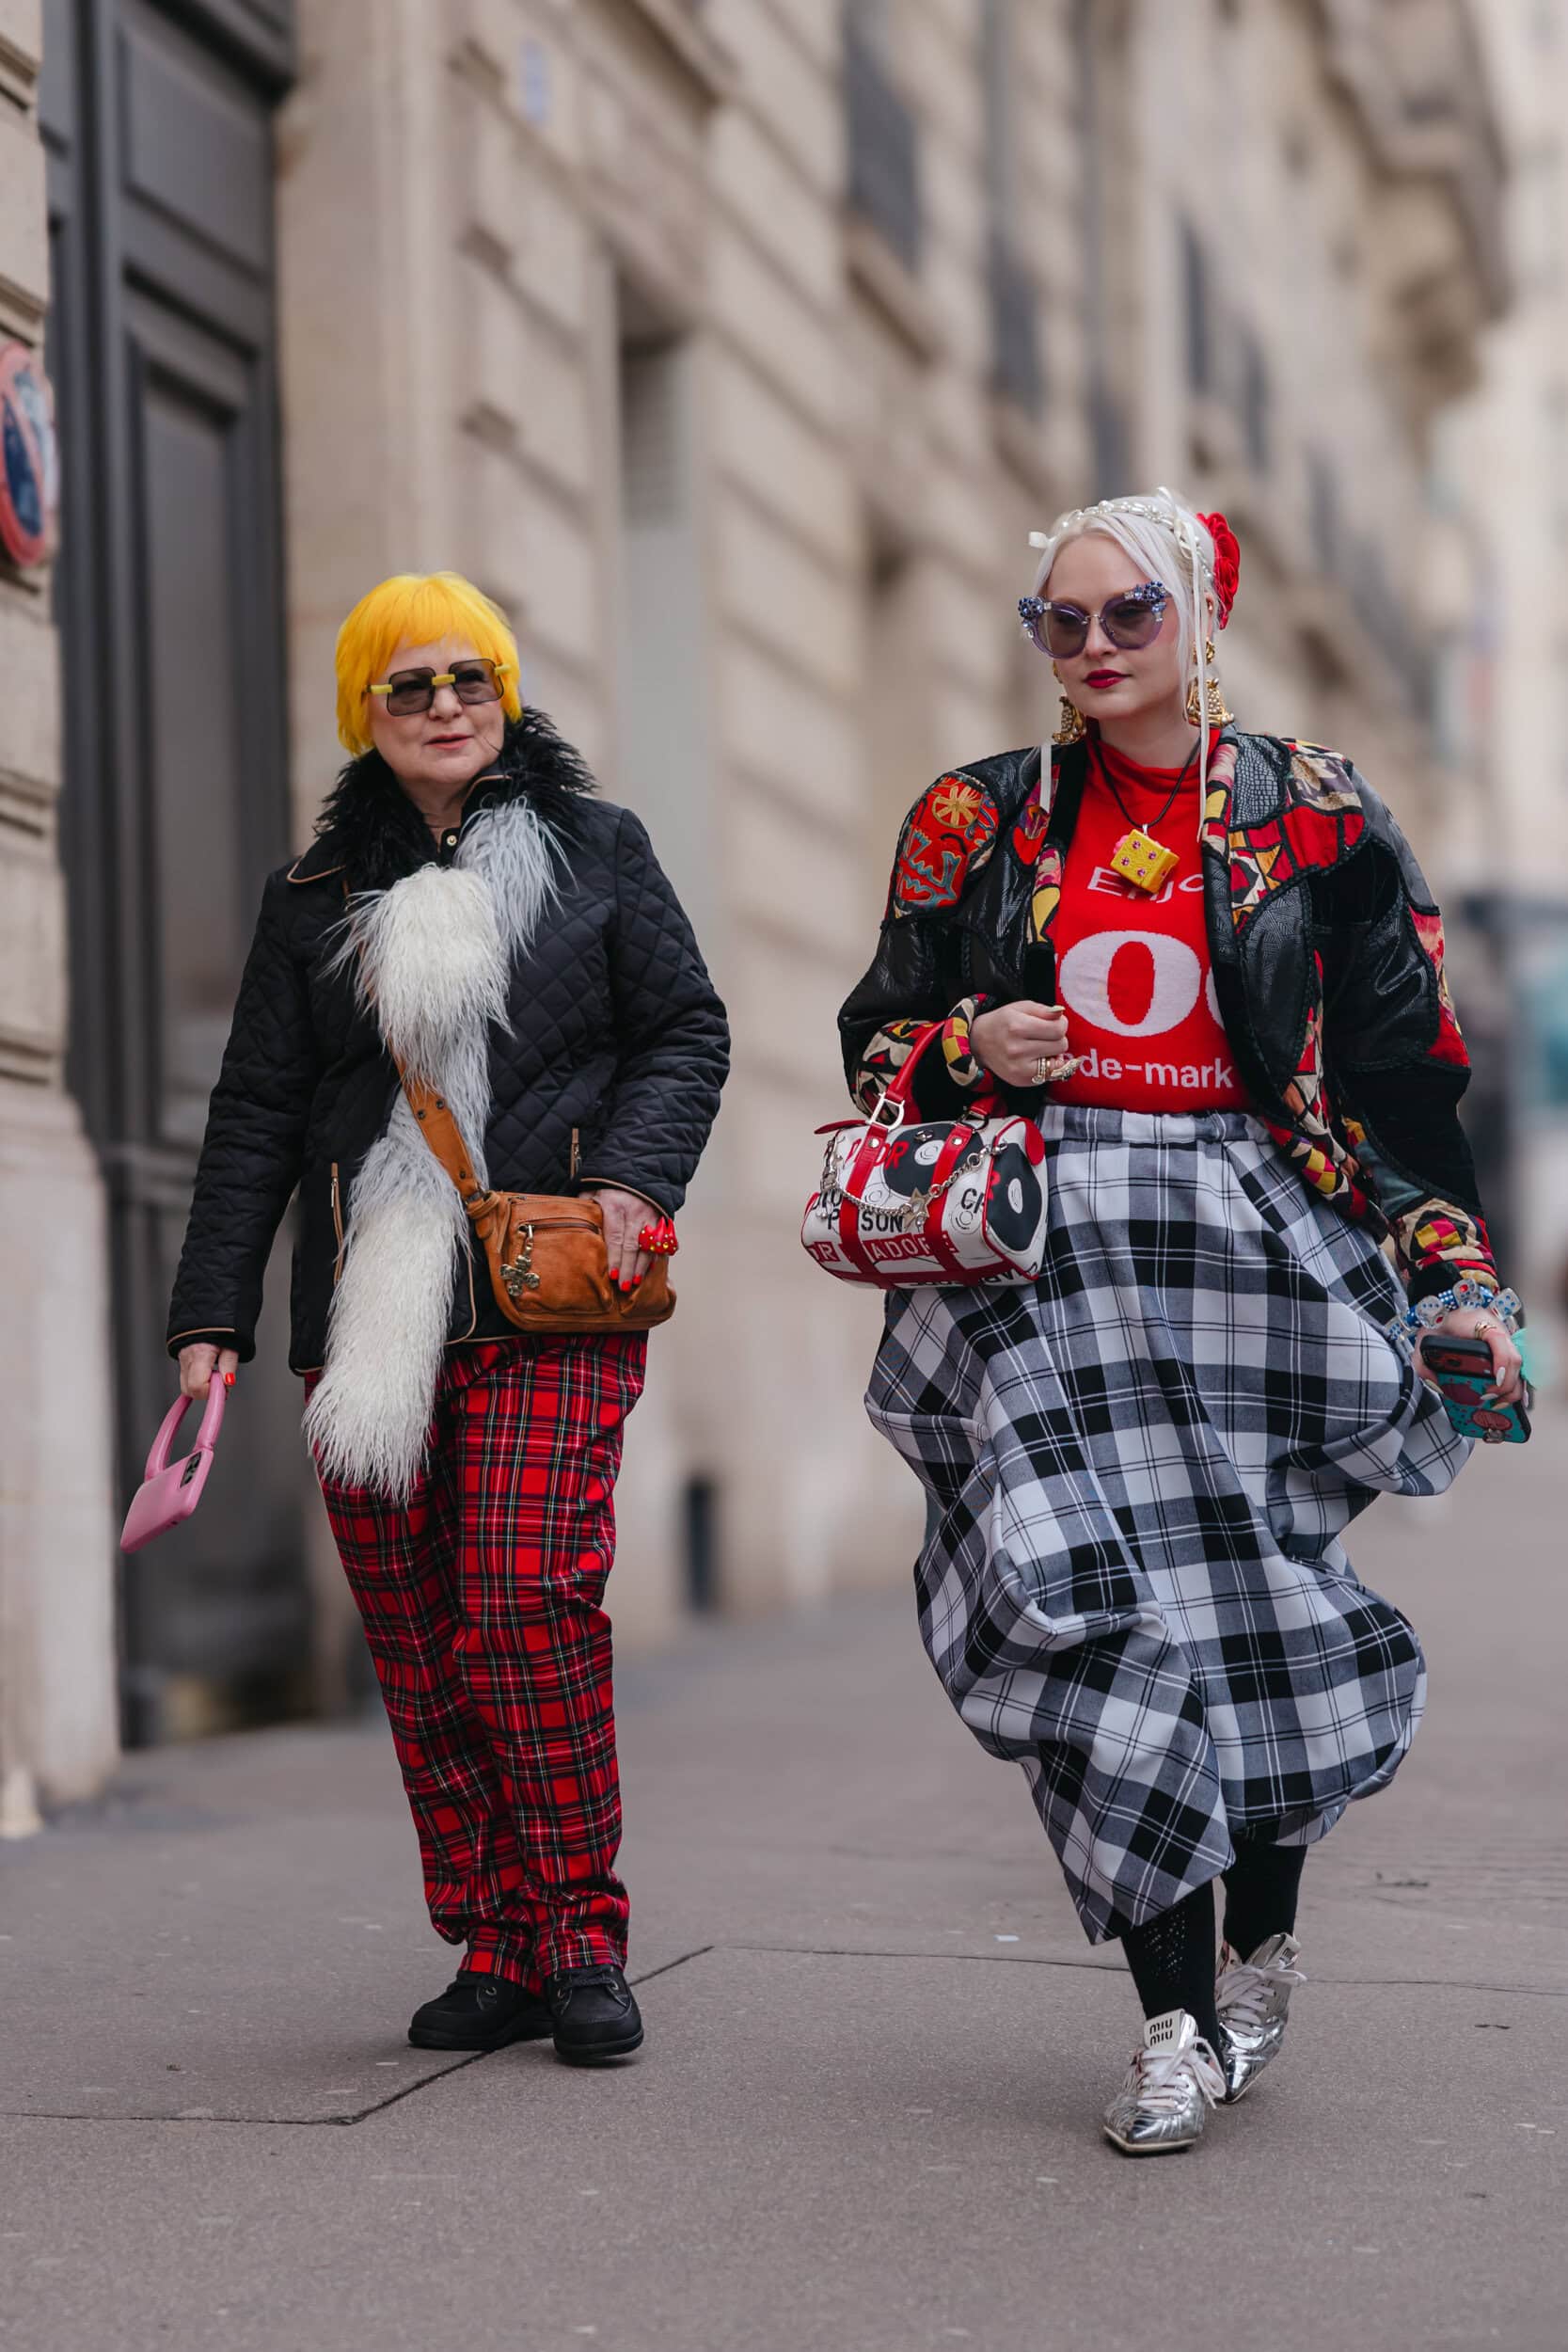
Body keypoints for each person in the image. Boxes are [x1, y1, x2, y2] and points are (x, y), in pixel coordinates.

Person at [839, 490, 1524, 2153]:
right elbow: (872, 1040)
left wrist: (1450, 1271)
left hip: (1253, 1252)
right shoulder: (973, 821)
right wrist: (963, 1046)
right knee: (1086, 1622)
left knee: (1256, 1623)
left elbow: (1408, 1073)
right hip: (1045, 1261)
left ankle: (1260, 1939)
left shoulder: (1317, 818)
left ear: (1198, 620)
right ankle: (1171, 2021)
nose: (1091, 650)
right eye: (1058, 623)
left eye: (1126, 615)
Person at [167, 571, 728, 2065]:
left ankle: (583, 1937)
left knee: (524, 1601)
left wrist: (632, 1176)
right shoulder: (312, 903)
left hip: (554, 1290)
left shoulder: (599, 851)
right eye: (407, 686)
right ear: (365, 709)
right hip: (370, 1313)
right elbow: (254, 1121)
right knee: (419, 1641)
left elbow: (687, 1027)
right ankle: (494, 1935)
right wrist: (208, 1318)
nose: (442, 707)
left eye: (467, 677)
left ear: (506, 690)